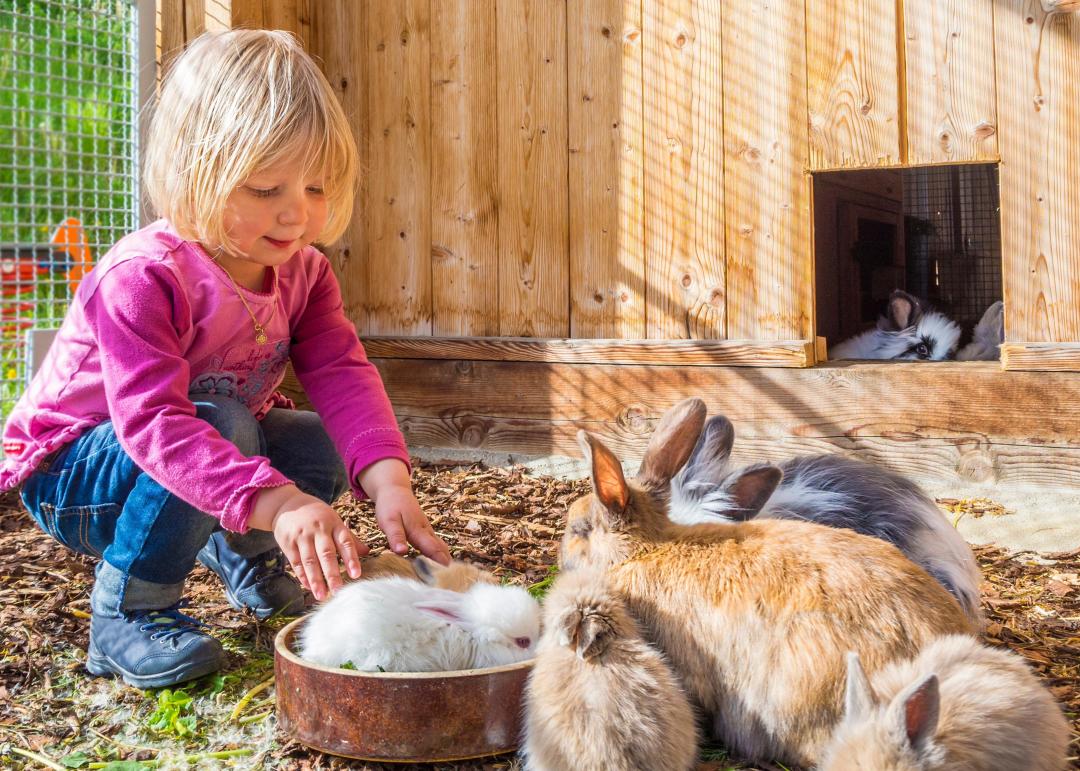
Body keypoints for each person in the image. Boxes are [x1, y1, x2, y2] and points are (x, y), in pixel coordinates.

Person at [0, 29, 450, 689]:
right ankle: (126, 612)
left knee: (318, 444)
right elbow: (155, 423)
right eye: (267, 187)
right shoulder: (144, 276)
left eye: (316, 186)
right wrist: (280, 502)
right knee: (223, 427)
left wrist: (389, 480)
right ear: (196, 170)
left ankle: (249, 559)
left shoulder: (304, 274)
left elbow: (343, 373)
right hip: (73, 477)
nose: (296, 210)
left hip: (192, 448)